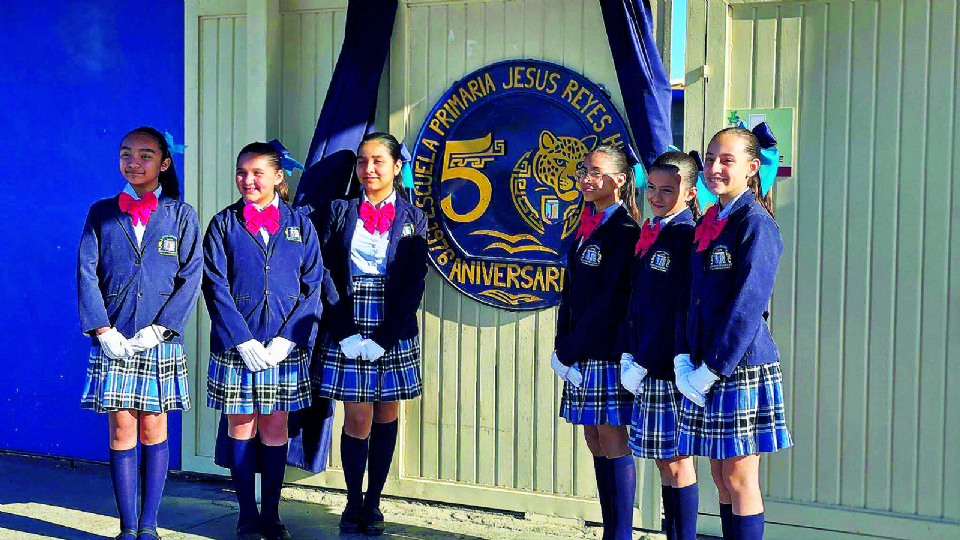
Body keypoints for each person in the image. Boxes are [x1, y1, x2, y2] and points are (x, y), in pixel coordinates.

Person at [78, 127, 202, 540]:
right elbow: (86, 272)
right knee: (121, 429)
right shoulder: (101, 212)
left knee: (154, 427)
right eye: (126, 154)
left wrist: (162, 329)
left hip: (158, 340)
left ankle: (149, 526)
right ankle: (127, 527)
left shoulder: (181, 215)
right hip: (114, 339)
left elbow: (191, 277)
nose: (134, 162)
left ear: (164, 163)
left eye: (145, 155)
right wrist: (102, 329)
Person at [674, 124, 792, 540]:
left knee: (740, 479)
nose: (715, 168)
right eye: (709, 159)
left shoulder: (755, 223)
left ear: (752, 167)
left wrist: (712, 368)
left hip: (738, 367)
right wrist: (684, 355)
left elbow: (747, 306)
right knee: (721, 476)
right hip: (705, 362)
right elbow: (693, 297)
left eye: (727, 159)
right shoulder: (713, 221)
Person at [202, 141, 324, 540]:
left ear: (278, 176)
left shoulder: (300, 224)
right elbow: (214, 285)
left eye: (257, 172)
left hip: (283, 349)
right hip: (238, 349)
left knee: (275, 429)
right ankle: (246, 516)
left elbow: (313, 286)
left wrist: (288, 340)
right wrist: (241, 340)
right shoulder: (223, 224)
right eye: (241, 172)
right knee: (242, 427)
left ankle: (271, 515)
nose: (247, 180)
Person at [312, 132, 427, 536]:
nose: (369, 169)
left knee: (387, 412)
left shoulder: (415, 217)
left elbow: (414, 282)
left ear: (397, 167)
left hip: (392, 323)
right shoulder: (340, 210)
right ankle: (353, 502)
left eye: (378, 161)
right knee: (357, 417)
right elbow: (324, 271)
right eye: (363, 161)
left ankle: (375, 501)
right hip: (348, 314)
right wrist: (343, 330)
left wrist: (384, 337)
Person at [552, 145, 641, 540]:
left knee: (612, 436)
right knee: (593, 436)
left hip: (604, 350)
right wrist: (562, 346)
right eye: (585, 170)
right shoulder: (587, 224)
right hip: (579, 351)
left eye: (597, 172)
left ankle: (620, 534)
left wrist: (571, 349)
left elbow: (610, 301)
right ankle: (609, 529)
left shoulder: (624, 231)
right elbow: (570, 294)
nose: (587, 178)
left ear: (619, 181)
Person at [620, 150, 702, 540]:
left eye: (668, 190)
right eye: (651, 187)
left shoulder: (685, 235)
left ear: (688, 192)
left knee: (678, 462)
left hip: (669, 367)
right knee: (663, 463)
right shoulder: (652, 229)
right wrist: (630, 353)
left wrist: (646, 359)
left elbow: (674, 309)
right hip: (647, 362)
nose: (656, 196)